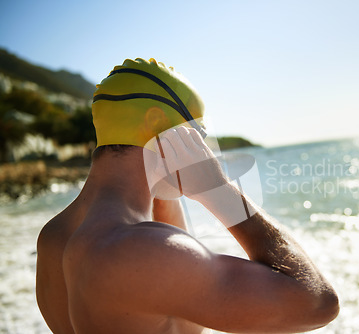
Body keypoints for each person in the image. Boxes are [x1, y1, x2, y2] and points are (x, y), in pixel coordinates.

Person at [36, 58, 339, 334]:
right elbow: (317, 303)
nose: (205, 148)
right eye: (198, 133)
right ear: (155, 122)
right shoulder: (139, 250)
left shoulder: (53, 237)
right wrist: (219, 190)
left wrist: (161, 176)